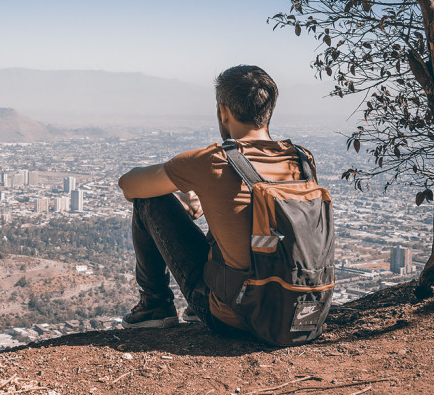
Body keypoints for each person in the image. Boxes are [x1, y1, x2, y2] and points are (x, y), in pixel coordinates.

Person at [117, 65, 313, 336]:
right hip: (296, 309)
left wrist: (186, 191)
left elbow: (129, 186)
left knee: (149, 201)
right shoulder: (301, 160)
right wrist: (205, 195)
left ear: (223, 111)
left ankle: (154, 305)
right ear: (268, 110)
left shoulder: (214, 160)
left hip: (234, 317)